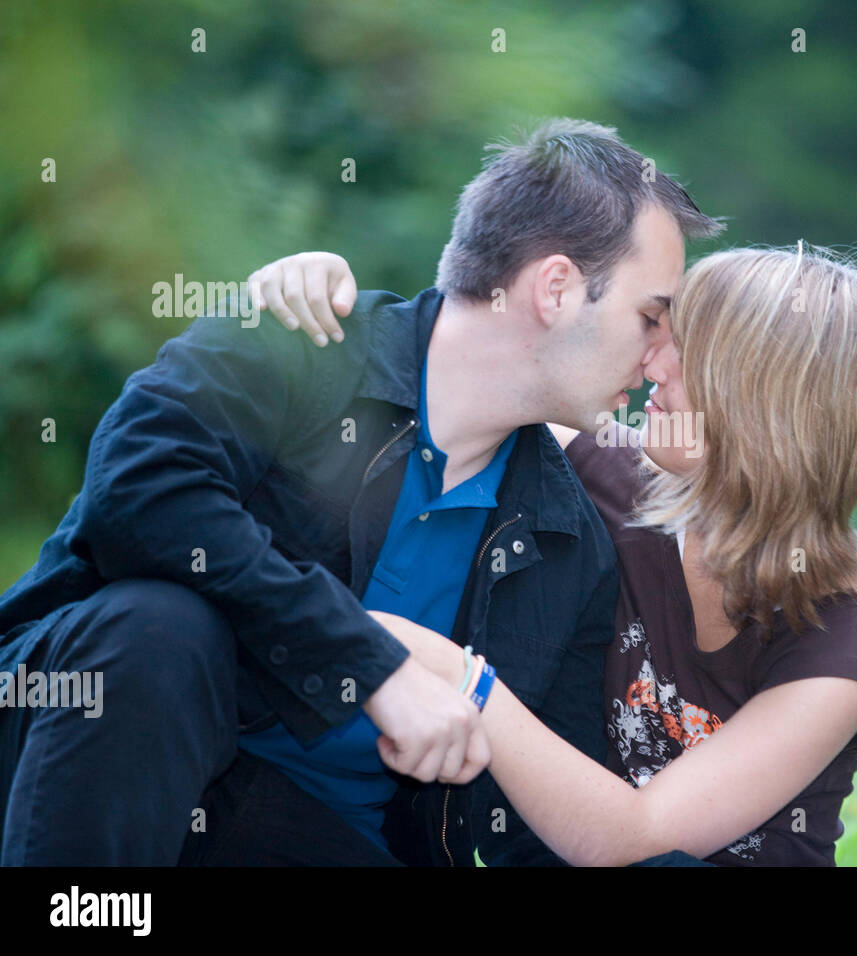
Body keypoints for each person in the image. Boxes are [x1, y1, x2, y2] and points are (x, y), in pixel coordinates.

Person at [0, 118, 722, 866]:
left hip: (306, 839)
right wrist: (372, 664)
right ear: (557, 288)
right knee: (160, 627)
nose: (658, 360)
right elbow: (137, 492)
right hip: (84, 766)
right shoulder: (297, 337)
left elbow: (535, 832)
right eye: (650, 318)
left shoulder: (569, 544)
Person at [254, 241, 857, 865]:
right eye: (660, 333)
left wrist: (460, 678)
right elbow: (465, 371)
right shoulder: (603, 477)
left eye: (689, 352)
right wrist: (331, 303)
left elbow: (635, 836)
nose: (652, 364)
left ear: (770, 404)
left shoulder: (846, 628)